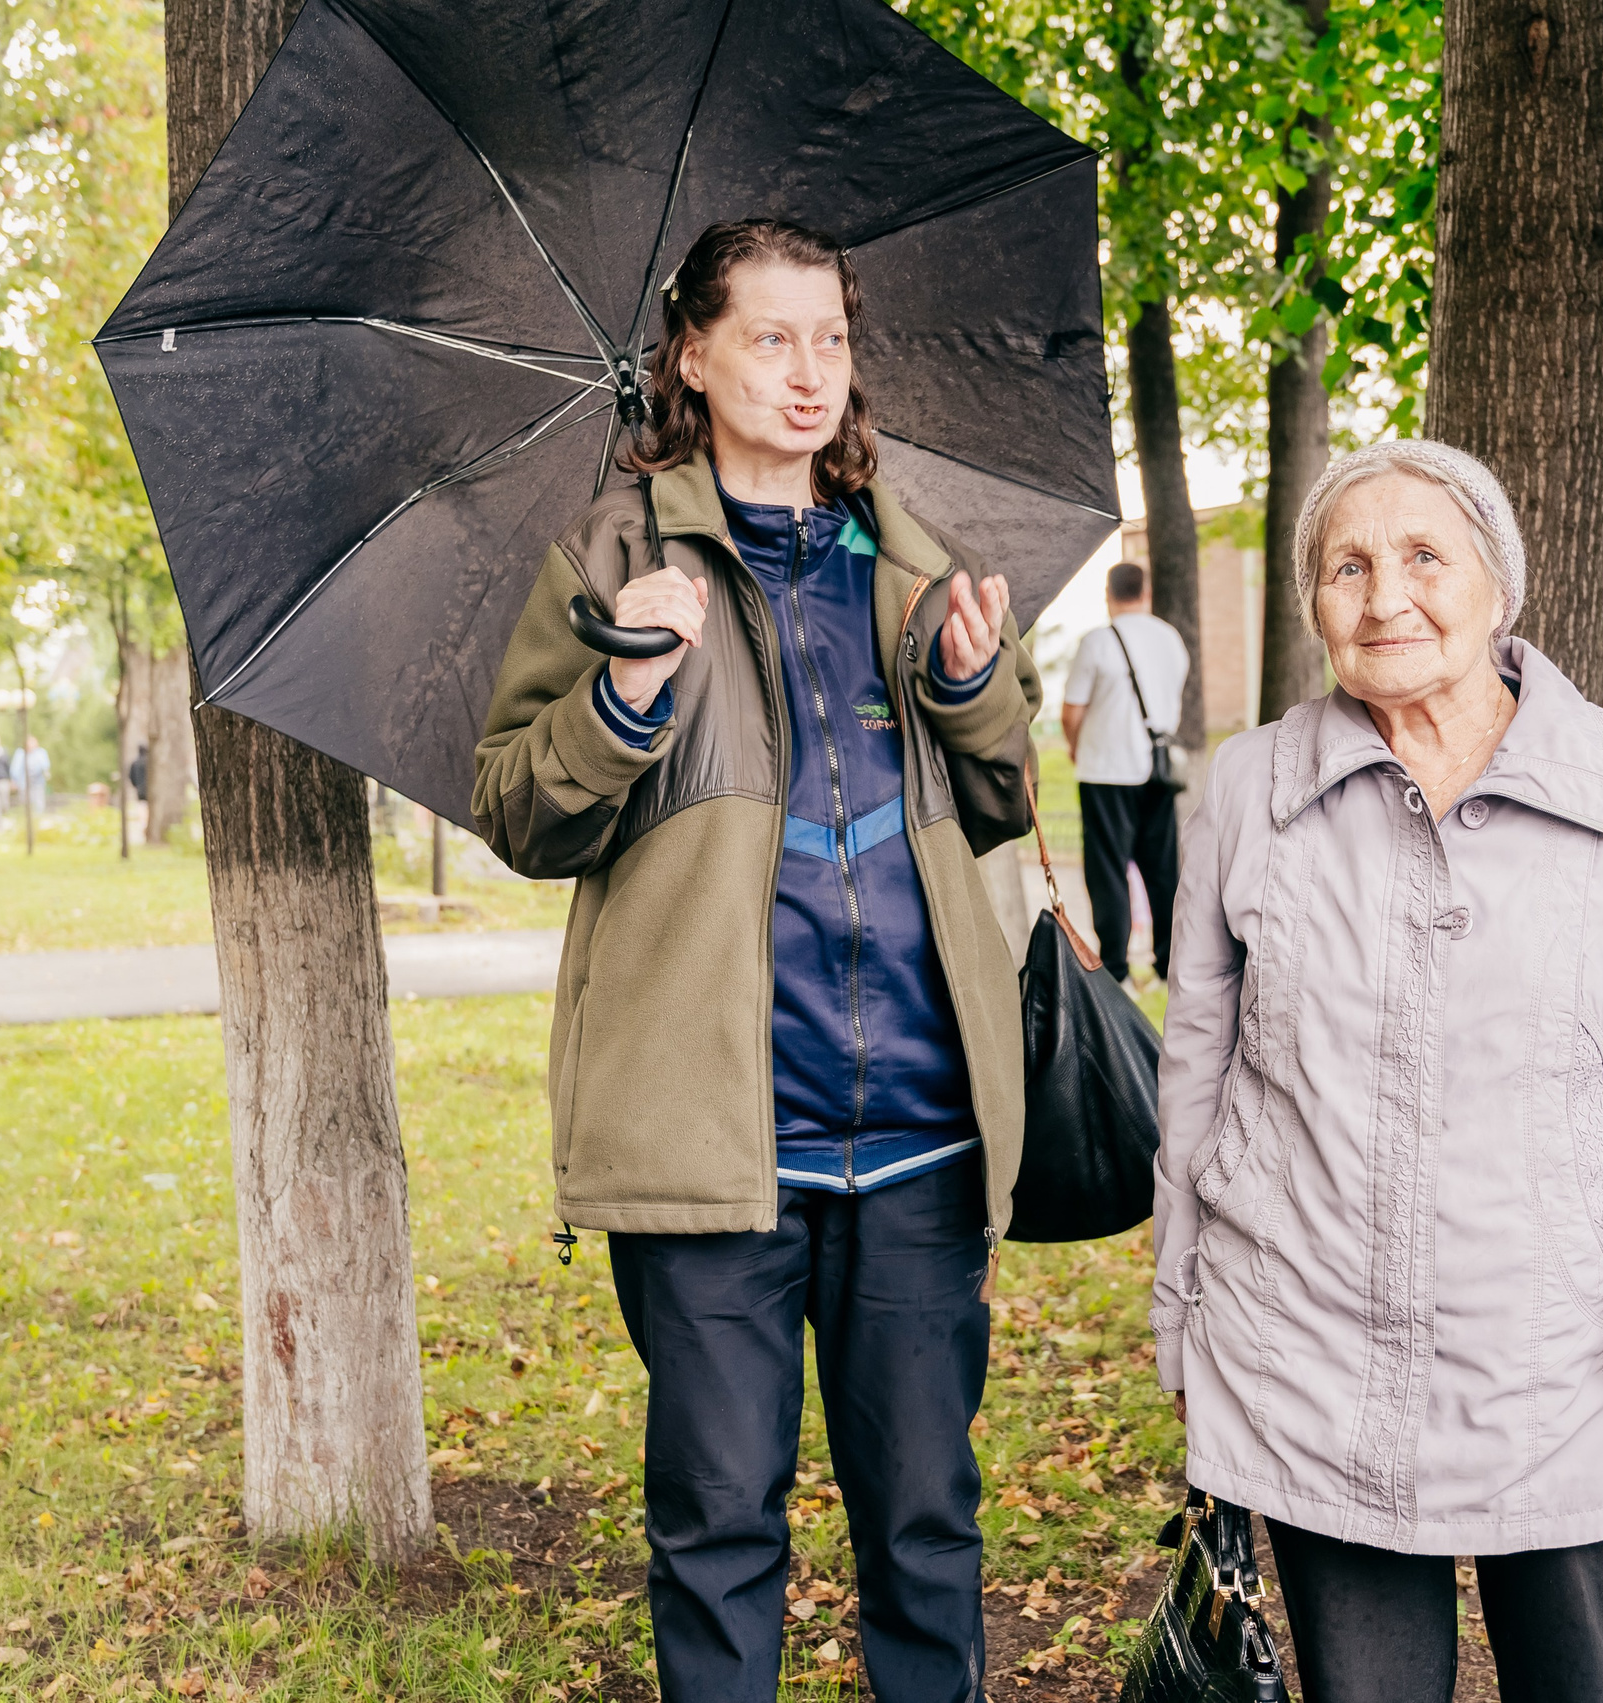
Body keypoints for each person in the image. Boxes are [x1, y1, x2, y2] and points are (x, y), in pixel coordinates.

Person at [1150, 440, 1603, 1703]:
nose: (1383, 594)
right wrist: (1188, 1322)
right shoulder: (1251, 789)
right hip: (1307, 1356)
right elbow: (1199, 1074)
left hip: (1568, 1364)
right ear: (1314, 602)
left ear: (1497, 586)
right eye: (1346, 564)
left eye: (1421, 556)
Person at [474, 218, 1040, 1703]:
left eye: (832, 340)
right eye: (772, 337)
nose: (809, 372)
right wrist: (627, 692)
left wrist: (975, 691)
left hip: (918, 1138)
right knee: (719, 1524)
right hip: (718, 1141)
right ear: (695, 356)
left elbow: (1002, 795)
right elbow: (520, 813)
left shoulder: (914, 559)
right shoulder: (611, 557)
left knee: (926, 1524)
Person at [1060, 561, 1188, 981]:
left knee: (1108, 871)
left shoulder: (1097, 641)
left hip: (1105, 773)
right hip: (1158, 772)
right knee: (1163, 870)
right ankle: (1169, 961)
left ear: (1108, 594)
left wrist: (1076, 746)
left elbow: (1071, 712)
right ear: (1145, 592)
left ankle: (1115, 967)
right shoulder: (1170, 639)